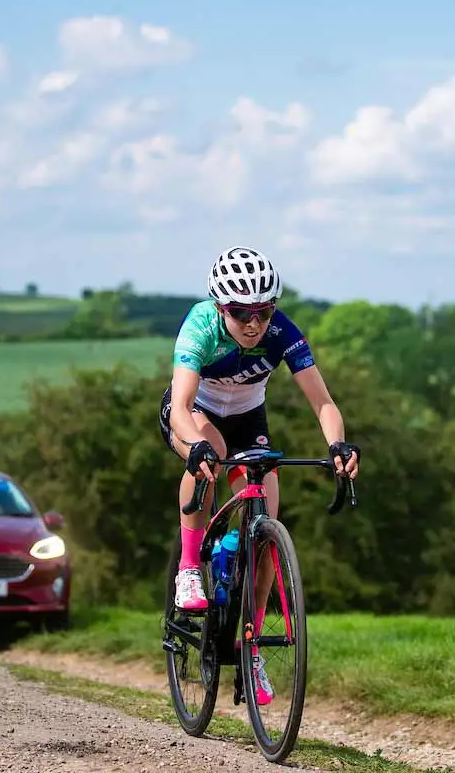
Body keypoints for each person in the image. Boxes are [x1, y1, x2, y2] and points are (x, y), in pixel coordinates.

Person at [157, 245, 360, 706]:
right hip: (195, 414)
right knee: (214, 456)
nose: (253, 324)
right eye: (242, 313)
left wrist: (337, 445)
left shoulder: (283, 333)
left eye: (263, 312)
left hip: (250, 419)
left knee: (268, 519)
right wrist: (197, 444)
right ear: (221, 308)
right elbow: (183, 406)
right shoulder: (200, 325)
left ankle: (247, 647)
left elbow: (323, 403)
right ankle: (190, 568)